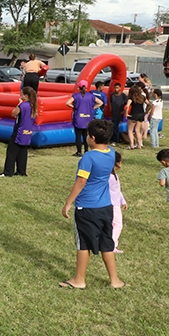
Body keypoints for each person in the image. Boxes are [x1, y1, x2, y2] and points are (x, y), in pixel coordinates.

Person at [60, 119, 124, 290]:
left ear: (92, 138)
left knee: (83, 244)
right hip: (106, 207)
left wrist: (68, 203)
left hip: (87, 207)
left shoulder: (88, 157)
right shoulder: (111, 153)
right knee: (107, 243)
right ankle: (115, 280)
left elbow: (81, 181)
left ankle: (79, 280)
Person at [1, 86, 37, 177]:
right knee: (22, 152)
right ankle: (21, 171)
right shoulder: (33, 106)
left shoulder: (23, 105)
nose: (20, 96)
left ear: (26, 95)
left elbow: (13, 113)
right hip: (28, 132)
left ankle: (8, 172)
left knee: (11, 152)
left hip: (19, 131)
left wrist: (19, 103)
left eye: (22, 94)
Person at [66, 80, 102, 156]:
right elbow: (100, 102)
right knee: (86, 135)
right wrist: (92, 108)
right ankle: (86, 150)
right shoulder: (91, 96)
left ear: (79, 87)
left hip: (78, 118)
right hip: (88, 118)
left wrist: (74, 107)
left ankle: (79, 152)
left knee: (78, 136)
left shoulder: (76, 96)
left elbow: (67, 103)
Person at [109, 151, 127, 254]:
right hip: (112, 205)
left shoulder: (114, 176)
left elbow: (117, 190)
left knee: (112, 224)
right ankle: (111, 245)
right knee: (118, 224)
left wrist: (122, 201)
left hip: (115, 204)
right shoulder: (110, 177)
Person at [124, 85, 149, 150]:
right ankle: (139, 145)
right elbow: (149, 104)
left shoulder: (131, 98)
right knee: (138, 130)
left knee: (130, 130)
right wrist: (146, 111)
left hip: (134, 114)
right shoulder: (142, 97)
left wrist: (126, 114)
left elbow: (127, 106)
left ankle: (132, 145)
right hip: (141, 114)